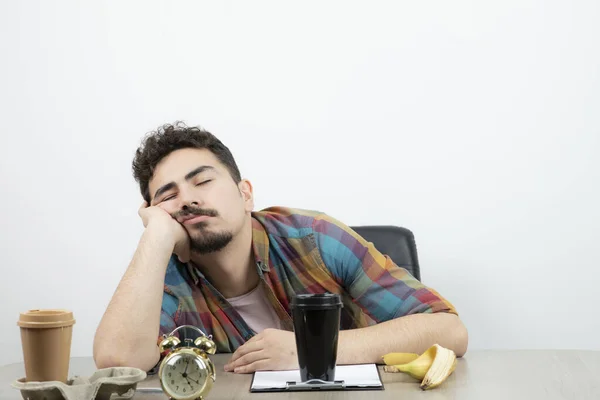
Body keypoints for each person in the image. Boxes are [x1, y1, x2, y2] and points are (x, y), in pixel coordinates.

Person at [93, 122, 468, 374]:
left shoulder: (315, 240)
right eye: (167, 196)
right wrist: (156, 237)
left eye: (202, 181)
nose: (187, 200)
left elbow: (449, 330)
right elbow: (118, 363)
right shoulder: (166, 277)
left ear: (245, 195)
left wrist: (312, 352)